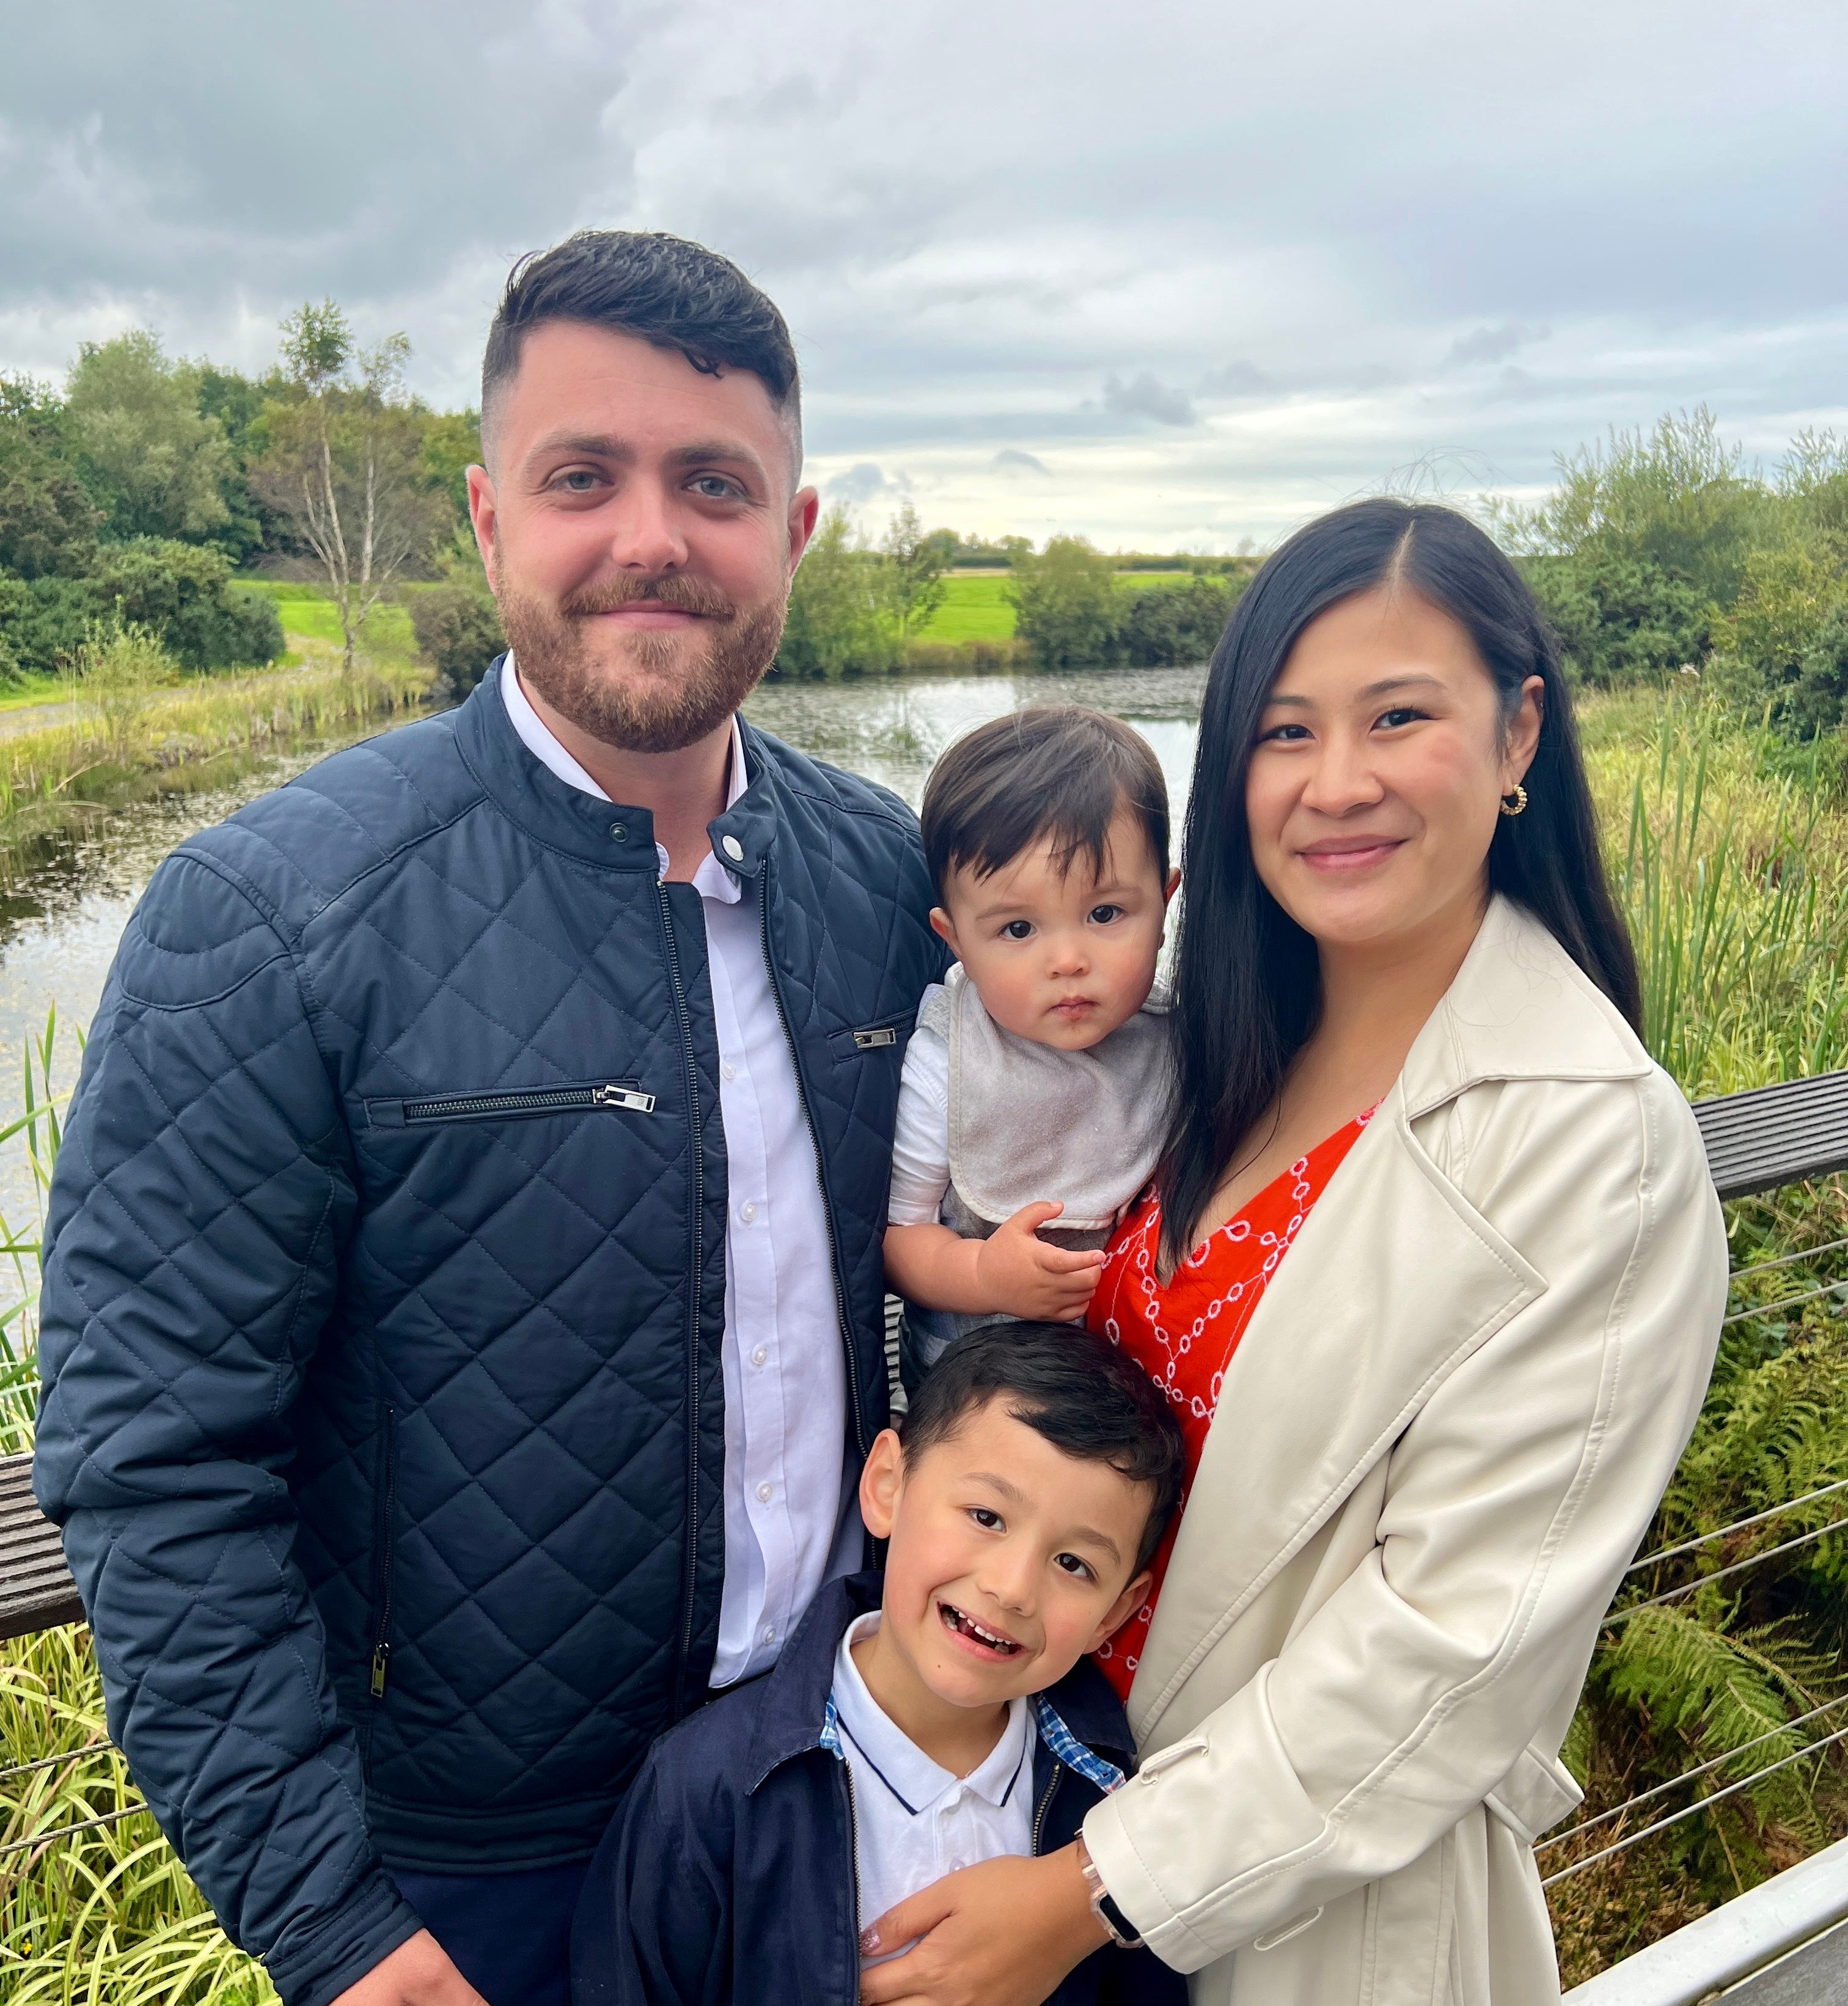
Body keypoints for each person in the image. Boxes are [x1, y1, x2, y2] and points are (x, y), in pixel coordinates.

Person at [32, 230, 942, 2006]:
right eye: (582, 476)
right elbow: (153, 1467)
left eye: (716, 483)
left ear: (797, 534)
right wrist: (341, 1931)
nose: (651, 537)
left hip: (835, 1783)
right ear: (485, 518)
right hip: (473, 1875)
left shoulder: (896, 883)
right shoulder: (270, 916)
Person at [853, 498, 1729, 2006]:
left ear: (1520, 735)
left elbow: (1456, 1646)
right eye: (1281, 732)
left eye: (1400, 716)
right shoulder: (1211, 1036)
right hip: (1045, 1790)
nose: (1337, 784)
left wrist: (1097, 1886)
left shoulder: (1593, 1143)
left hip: (1284, 1903)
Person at [574, 1321, 1187, 2006]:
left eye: (1074, 1564)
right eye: (986, 1516)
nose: (1012, 1587)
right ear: (888, 1484)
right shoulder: (709, 1785)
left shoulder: (1117, 1801)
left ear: (1116, 1611)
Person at [884, 708, 1179, 1381]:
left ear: (1164, 907)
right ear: (954, 939)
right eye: (1018, 930)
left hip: (1135, 1378)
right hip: (978, 1388)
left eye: (1106, 914)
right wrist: (984, 1274)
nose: (1068, 960)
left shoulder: (1181, 1040)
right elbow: (901, 1239)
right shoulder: (948, 1065)